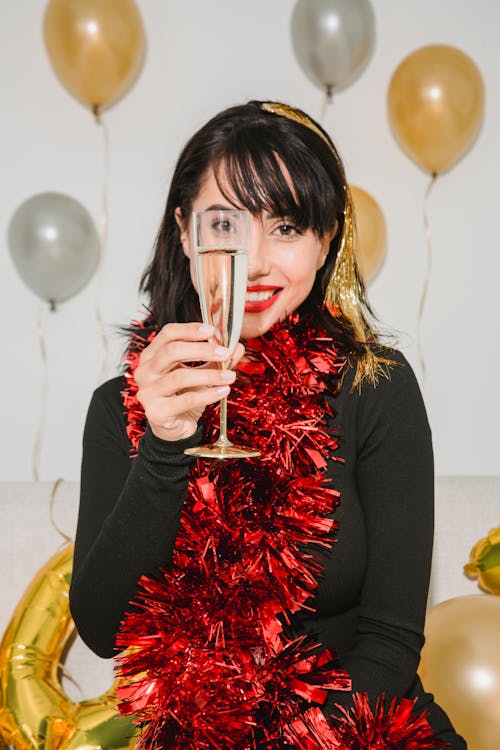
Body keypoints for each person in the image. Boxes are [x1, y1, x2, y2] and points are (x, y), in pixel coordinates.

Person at [70, 101, 466, 749]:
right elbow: (103, 629)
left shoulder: (376, 386)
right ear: (183, 229)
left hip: (365, 735)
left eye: (286, 227)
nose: (252, 261)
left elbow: (390, 646)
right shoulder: (119, 407)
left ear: (326, 239)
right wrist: (166, 446)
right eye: (225, 222)